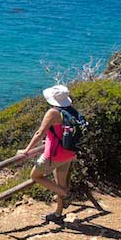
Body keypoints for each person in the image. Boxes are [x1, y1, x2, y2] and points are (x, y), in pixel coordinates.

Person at [19, 84, 78, 223]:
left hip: (54, 154)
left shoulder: (53, 112)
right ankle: (58, 214)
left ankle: (66, 195)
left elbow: (40, 133)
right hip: (69, 153)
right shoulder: (71, 110)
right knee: (60, 183)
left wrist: (27, 150)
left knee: (35, 176)